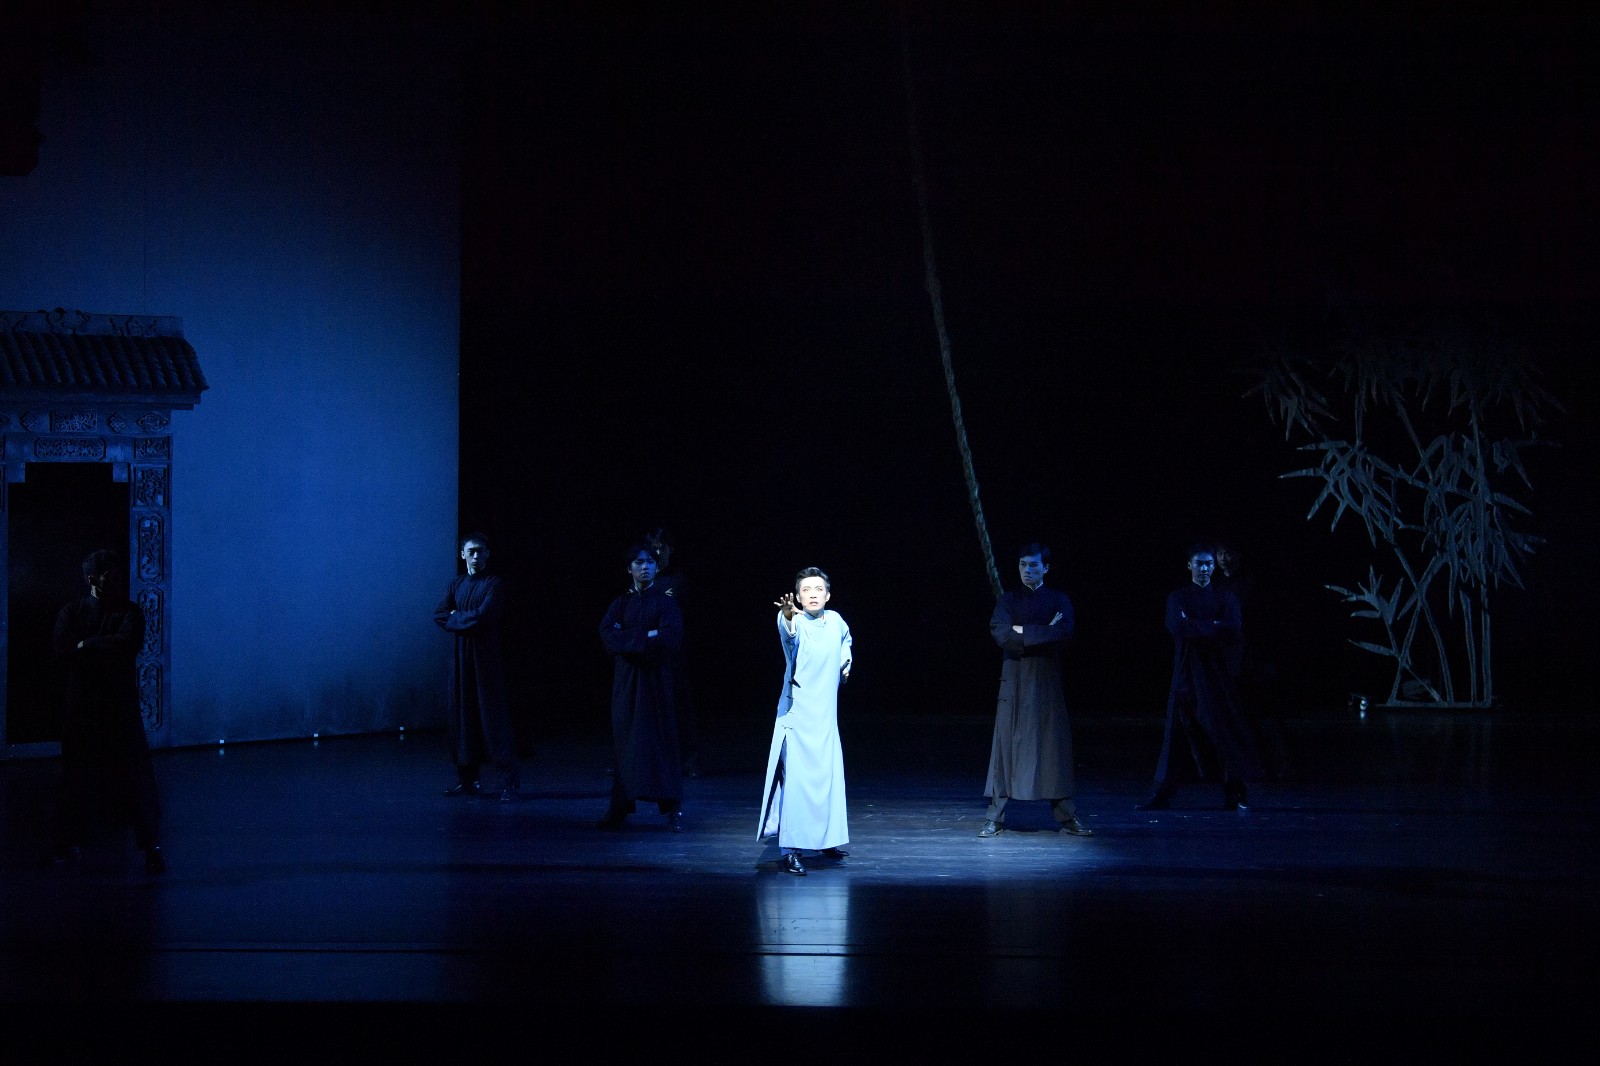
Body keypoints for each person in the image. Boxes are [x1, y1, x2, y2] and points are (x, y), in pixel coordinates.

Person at [51, 549, 164, 874]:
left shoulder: (129, 612)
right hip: (84, 707)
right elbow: (63, 651)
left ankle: (151, 847)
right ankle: (68, 842)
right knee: (76, 775)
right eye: (108, 574)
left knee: (136, 776)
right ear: (93, 579)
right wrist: (97, 646)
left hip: (118, 708)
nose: (116, 579)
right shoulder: (72, 611)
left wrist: (86, 645)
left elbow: (126, 644)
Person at [1137, 543, 1265, 811]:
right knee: (1176, 736)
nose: (1204, 568)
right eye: (1199, 563)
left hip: (1216, 675)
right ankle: (1163, 793)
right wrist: (1213, 625)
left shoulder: (1225, 596)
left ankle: (1235, 791)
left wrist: (1196, 624)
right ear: (1189, 566)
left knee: (1222, 731)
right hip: (1186, 672)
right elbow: (1178, 627)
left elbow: (1233, 629)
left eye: (1208, 564)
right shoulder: (1178, 597)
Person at [978, 543, 1094, 838]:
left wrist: (1022, 631)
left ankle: (1066, 815)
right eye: (1022, 565)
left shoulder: (1058, 599)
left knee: (1052, 748)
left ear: (1045, 568)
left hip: (1046, 681)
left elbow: (1063, 632)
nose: (1027, 570)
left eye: (1033, 565)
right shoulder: (1008, 600)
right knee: (1005, 747)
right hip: (1014, 680)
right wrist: (1041, 631)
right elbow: (1001, 634)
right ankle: (995, 817)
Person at [758, 566, 852, 876]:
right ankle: (790, 850)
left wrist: (845, 663)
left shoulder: (835, 620)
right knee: (797, 784)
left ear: (828, 594)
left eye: (818, 589)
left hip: (825, 717)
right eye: (806, 590)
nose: (813, 594)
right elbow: (788, 634)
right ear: (797, 597)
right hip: (797, 717)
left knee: (827, 780)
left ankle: (826, 840)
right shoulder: (794, 620)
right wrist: (787, 614)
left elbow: (845, 641)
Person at [597, 543, 685, 831]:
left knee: (661, 739)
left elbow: (670, 638)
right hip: (627, 682)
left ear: (657, 568)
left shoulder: (665, 603)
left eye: (649, 562)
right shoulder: (620, 603)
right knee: (626, 740)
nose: (644, 567)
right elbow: (608, 635)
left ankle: (672, 809)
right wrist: (647, 636)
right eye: (638, 562)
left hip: (656, 679)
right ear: (629, 568)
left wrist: (630, 638)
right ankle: (619, 807)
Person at [434, 532, 518, 802]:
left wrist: (457, 617)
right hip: (461, 661)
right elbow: (439, 614)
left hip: (486, 660)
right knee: (463, 717)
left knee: (493, 719)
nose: (476, 556)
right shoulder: (456, 584)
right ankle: (467, 779)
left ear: (487, 554)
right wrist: (460, 618)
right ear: (463, 555)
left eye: (480, 551)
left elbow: (484, 616)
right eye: (471, 551)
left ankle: (508, 783)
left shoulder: (494, 584)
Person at [1214, 541, 1292, 780]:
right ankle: (1252, 765)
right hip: (1230, 661)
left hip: (1253, 659)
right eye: (1220, 553)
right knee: (1238, 716)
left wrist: (1268, 660)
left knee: (1264, 714)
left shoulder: (1252, 584)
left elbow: (1266, 623)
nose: (1224, 558)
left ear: (1238, 555)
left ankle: (1280, 763)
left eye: (1228, 553)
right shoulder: (1217, 585)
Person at [645, 527, 700, 778]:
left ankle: (689, 760)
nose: (657, 552)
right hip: (648, 652)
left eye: (662, 547)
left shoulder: (677, 580)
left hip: (673, 652)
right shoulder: (644, 578)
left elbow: (679, 613)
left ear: (670, 550)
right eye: (653, 547)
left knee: (679, 704)